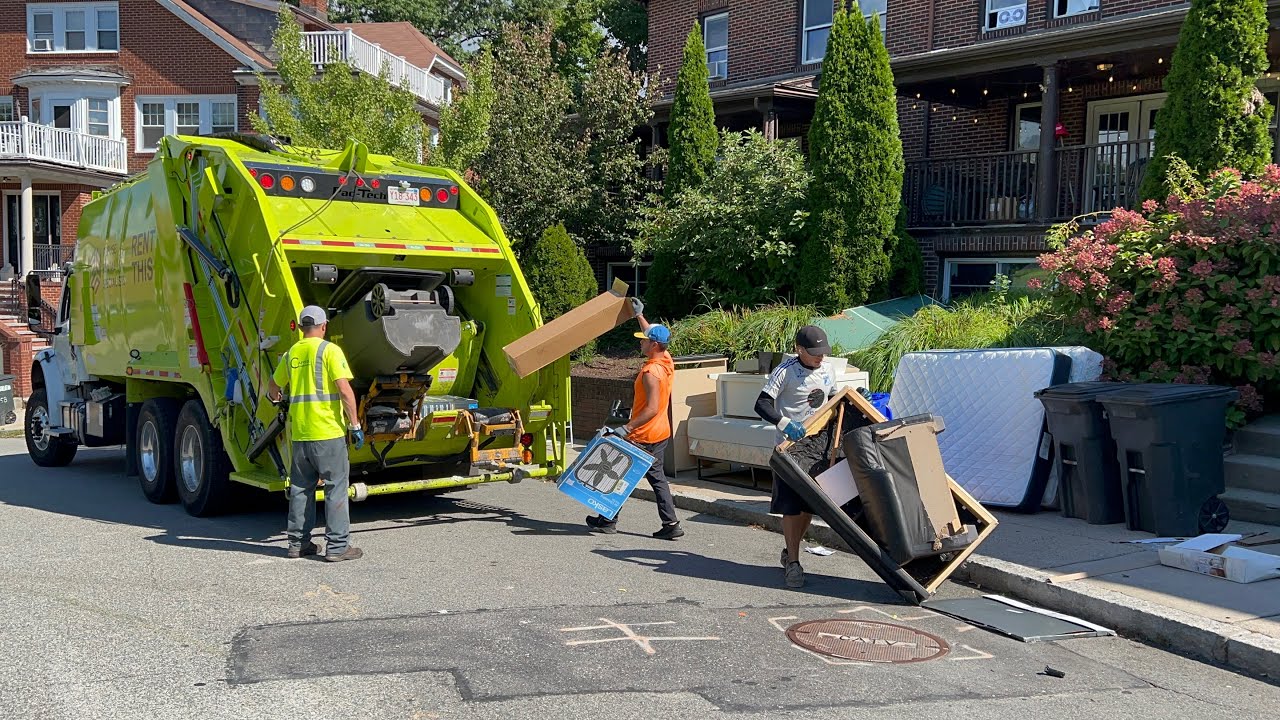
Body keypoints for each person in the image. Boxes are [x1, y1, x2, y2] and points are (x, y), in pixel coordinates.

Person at [267, 305, 365, 562]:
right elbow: (344, 390)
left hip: (300, 433)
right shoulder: (330, 350)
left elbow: (273, 387)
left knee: (300, 489)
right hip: (328, 433)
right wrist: (355, 425)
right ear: (324, 326)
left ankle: (297, 544)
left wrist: (276, 397)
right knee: (335, 487)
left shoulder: (291, 354)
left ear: (301, 328)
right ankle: (337, 547)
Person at [586, 303, 684, 540]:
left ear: (654, 345)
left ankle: (608, 520)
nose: (640, 342)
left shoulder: (651, 373)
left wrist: (626, 428)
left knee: (618, 473)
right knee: (656, 478)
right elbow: (653, 331)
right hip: (660, 433)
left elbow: (650, 409)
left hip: (643, 434)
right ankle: (670, 524)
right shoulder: (666, 361)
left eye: (643, 340)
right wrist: (639, 315)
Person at [753, 325, 837, 588]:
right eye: (814, 353)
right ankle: (794, 563)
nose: (819, 357)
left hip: (817, 448)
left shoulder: (827, 369)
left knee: (808, 506)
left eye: (823, 352)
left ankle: (791, 552)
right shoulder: (785, 372)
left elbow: (834, 399)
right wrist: (784, 423)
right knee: (791, 507)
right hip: (789, 449)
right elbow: (761, 404)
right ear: (799, 350)